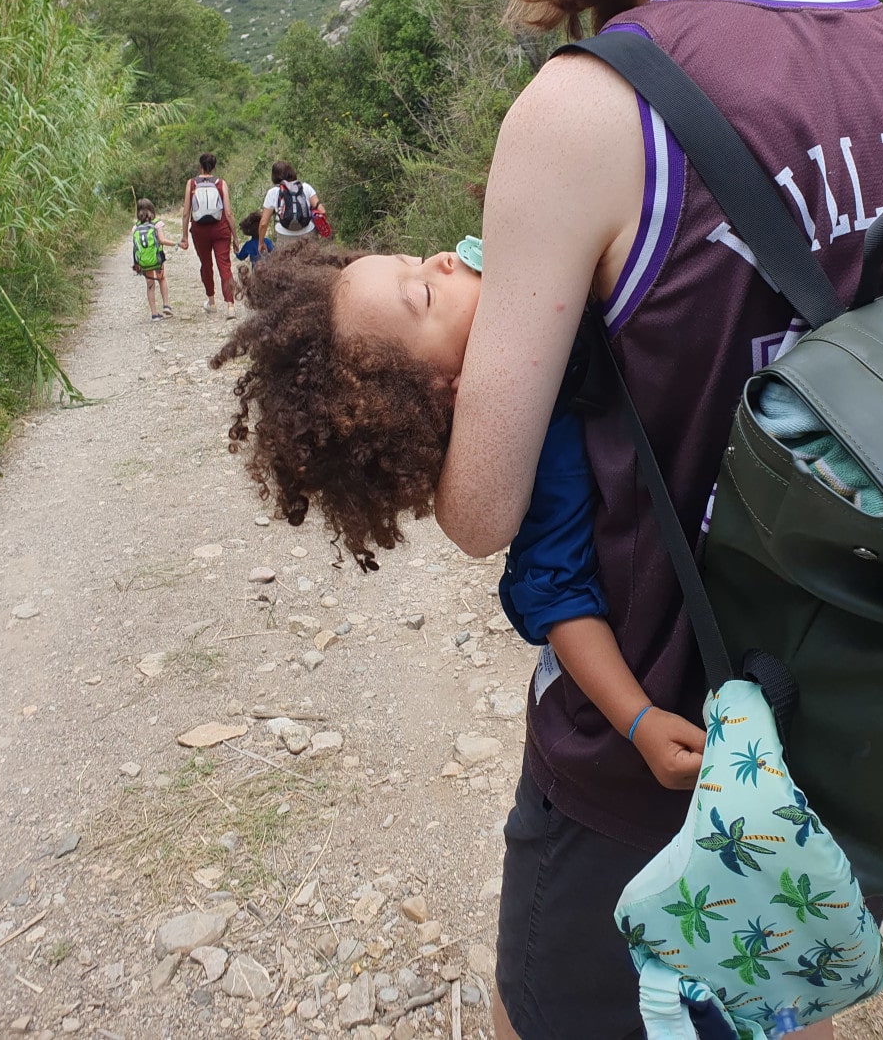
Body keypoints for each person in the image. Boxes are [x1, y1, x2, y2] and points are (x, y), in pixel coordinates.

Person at [427, 0, 883, 1040]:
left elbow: (485, 508)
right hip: (874, 704)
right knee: (755, 1002)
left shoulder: (590, 108)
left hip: (657, 734)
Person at [210, 240, 704, 780]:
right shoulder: (545, 442)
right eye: (422, 293)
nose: (444, 258)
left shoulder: (545, 273)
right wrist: (640, 721)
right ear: (448, 390)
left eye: (411, 260)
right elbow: (560, 597)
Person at [179, 152, 240, 318]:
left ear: (200, 166)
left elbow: (186, 213)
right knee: (224, 266)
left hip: (200, 231)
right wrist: (235, 236)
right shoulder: (221, 183)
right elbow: (228, 212)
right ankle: (230, 306)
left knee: (206, 265)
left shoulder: (191, 184)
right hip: (221, 230)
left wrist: (185, 236)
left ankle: (212, 302)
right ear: (214, 167)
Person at [258, 159, 325, 253]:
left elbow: (264, 223)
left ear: (274, 176)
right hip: (308, 234)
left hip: (284, 238)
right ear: (291, 172)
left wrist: (260, 243)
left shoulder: (272, 193)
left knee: (287, 267)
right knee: (312, 264)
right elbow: (322, 211)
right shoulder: (306, 187)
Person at [131, 199, 172, 321]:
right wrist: (177, 244)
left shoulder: (135, 228)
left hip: (144, 261)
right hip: (157, 258)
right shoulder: (156, 224)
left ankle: (154, 314)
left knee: (150, 284)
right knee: (162, 279)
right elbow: (162, 240)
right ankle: (166, 305)